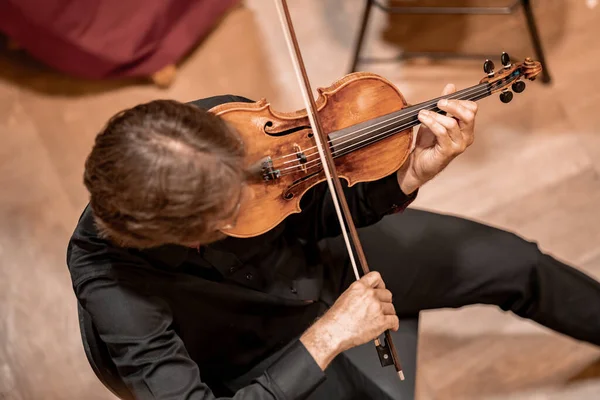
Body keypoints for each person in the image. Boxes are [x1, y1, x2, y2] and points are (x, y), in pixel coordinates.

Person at [66, 84, 600, 400]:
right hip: (258, 355)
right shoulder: (114, 287)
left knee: (515, 263)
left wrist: (407, 174)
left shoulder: (221, 129)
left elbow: (305, 205)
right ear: (181, 234)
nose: (254, 191)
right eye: (231, 210)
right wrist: (327, 338)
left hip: (322, 257)